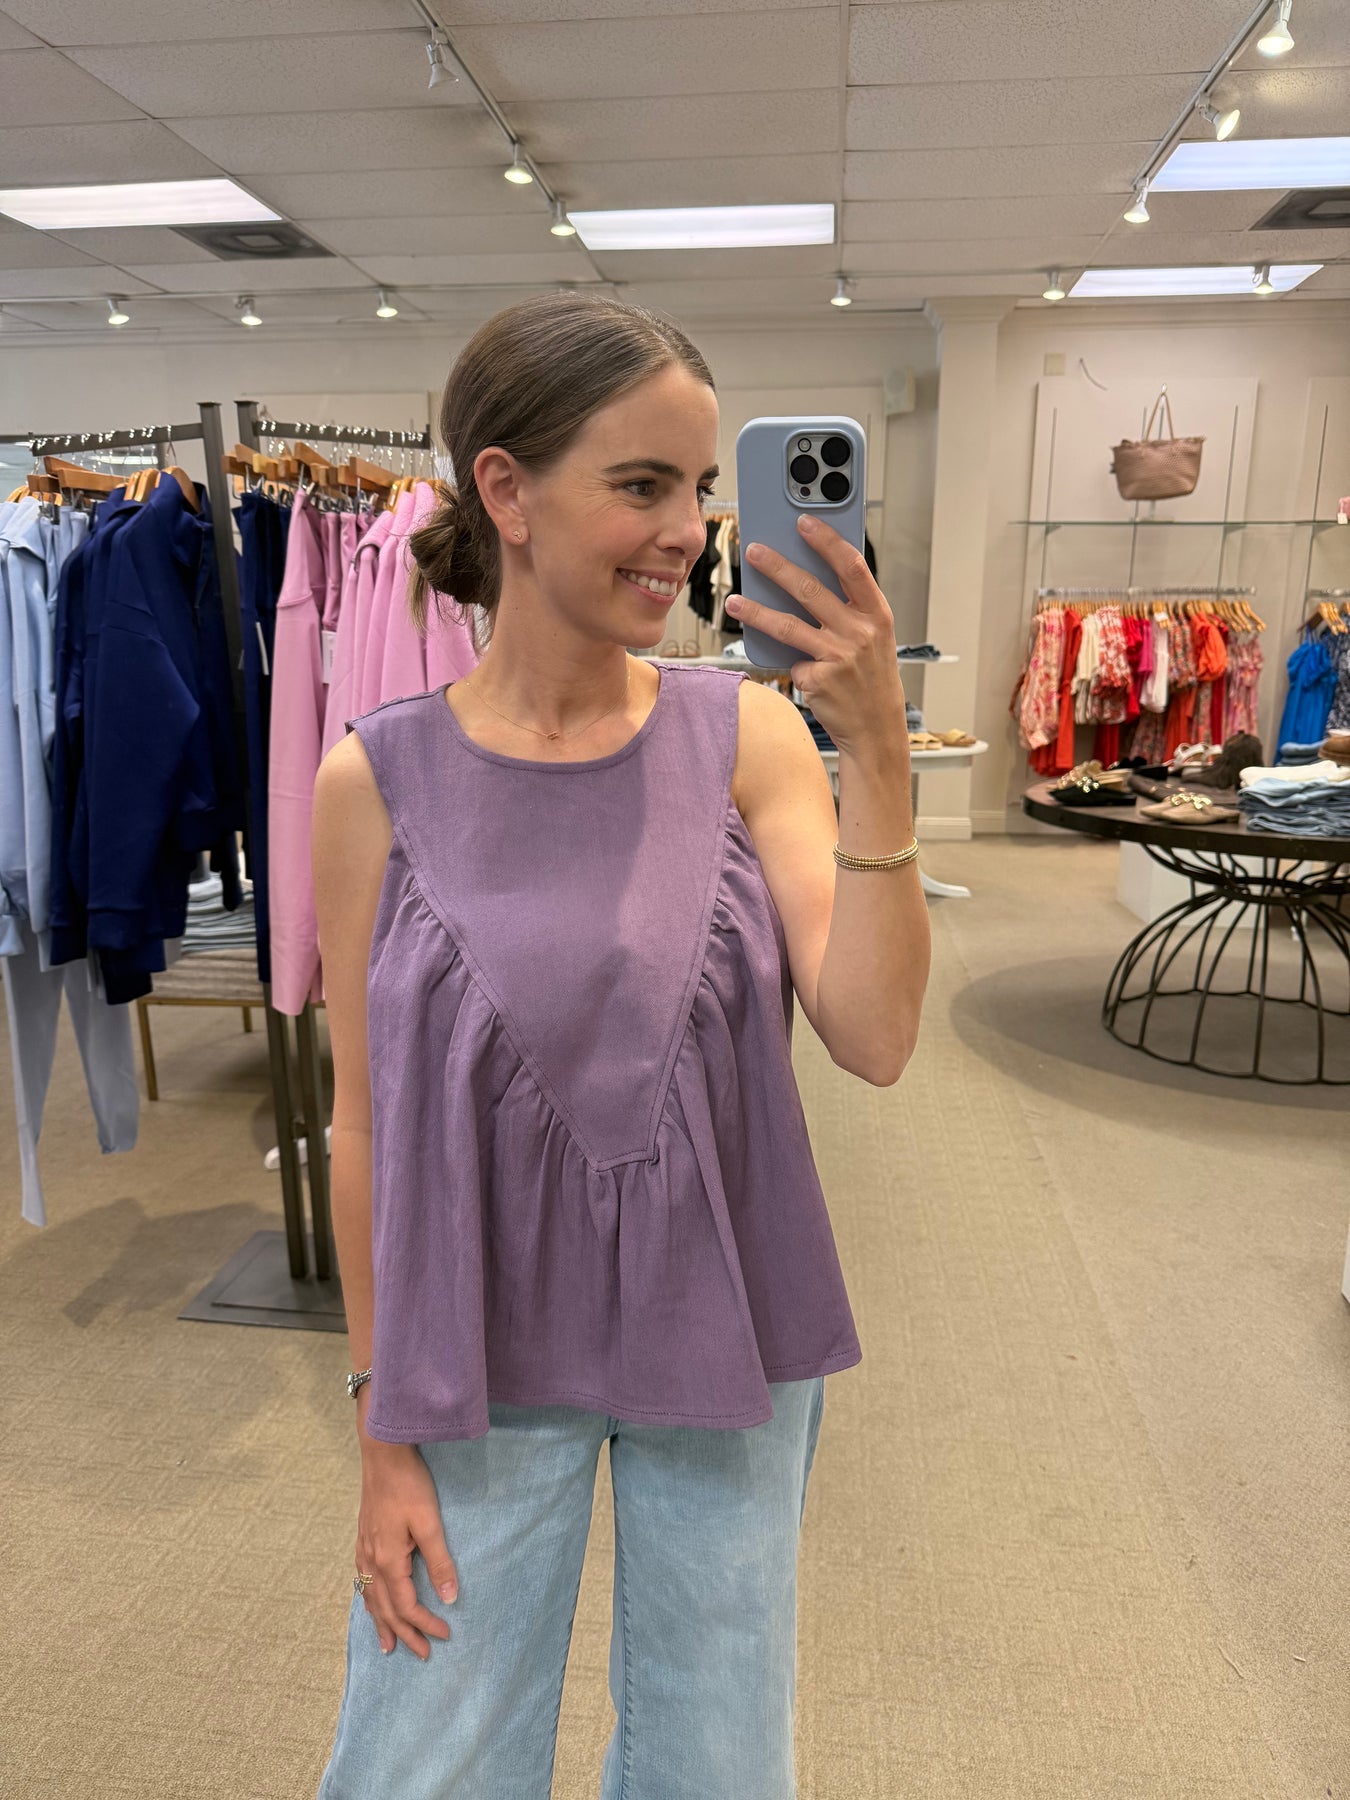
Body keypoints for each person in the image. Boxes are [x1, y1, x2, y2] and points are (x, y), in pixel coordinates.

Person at [311, 291, 930, 1798]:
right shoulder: (373, 780)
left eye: (701, 487)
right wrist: (378, 1429)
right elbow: (362, 1126)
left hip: (725, 1322)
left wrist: (878, 757)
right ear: (507, 491)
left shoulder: (748, 740)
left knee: (717, 1758)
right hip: (472, 1344)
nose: (688, 533)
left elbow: (873, 1035)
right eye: (642, 484)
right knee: (425, 1756)